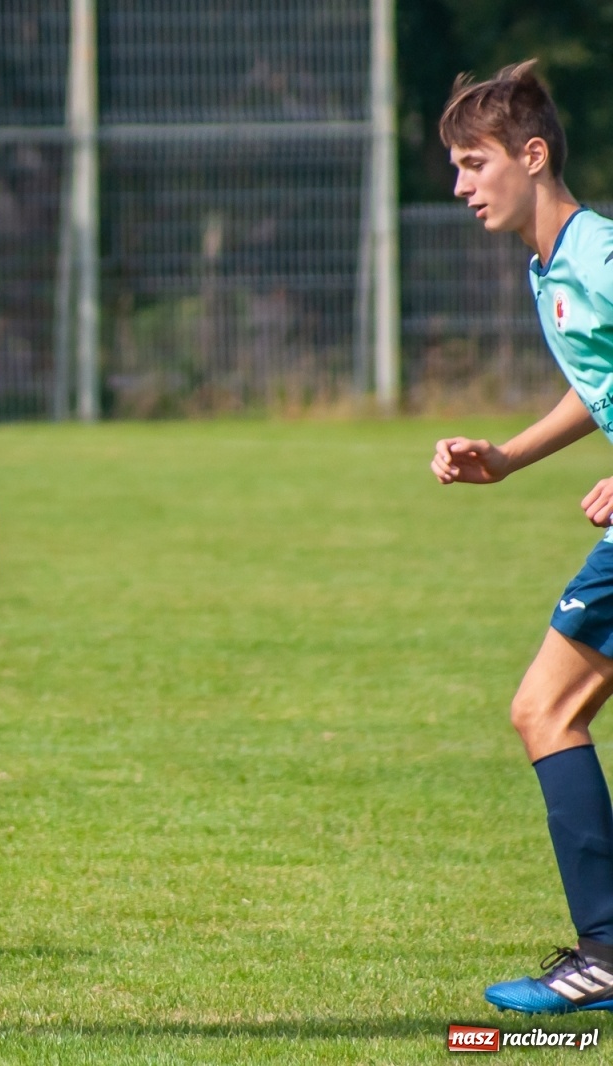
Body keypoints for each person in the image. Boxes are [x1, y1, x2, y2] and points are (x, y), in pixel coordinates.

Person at [431, 61, 613, 1014]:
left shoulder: (599, 256)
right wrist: (506, 458)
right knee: (545, 709)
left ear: (532, 156)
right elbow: (599, 385)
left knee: (546, 710)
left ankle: (607, 953)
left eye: (475, 163)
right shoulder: (551, 269)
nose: (462, 186)